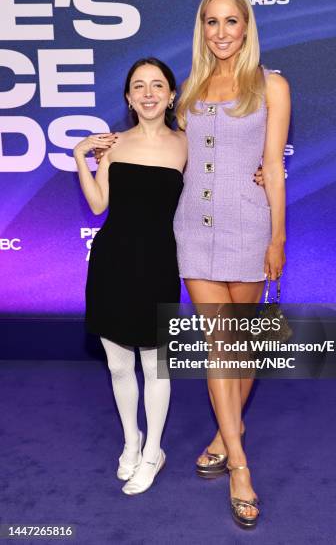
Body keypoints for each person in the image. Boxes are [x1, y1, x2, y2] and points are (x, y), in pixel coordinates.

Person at [174, 0, 291, 528]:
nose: (221, 33)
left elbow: (273, 165)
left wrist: (278, 239)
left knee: (241, 347)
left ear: (247, 27)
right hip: (193, 231)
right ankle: (240, 467)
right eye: (211, 23)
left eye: (230, 22)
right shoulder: (189, 89)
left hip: (249, 226)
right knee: (219, 343)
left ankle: (226, 432)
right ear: (202, 29)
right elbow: (171, 153)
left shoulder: (271, 86)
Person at [74, 58, 187, 495]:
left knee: (156, 366)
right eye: (139, 86)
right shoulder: (113, 144)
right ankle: (131, 441)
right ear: (128, 97)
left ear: (172, 95)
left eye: (157, 85)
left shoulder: (186, 144)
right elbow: (99, 204)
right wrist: (80, 156)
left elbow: (219, 182)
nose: (148, 93)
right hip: (112, 262)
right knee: (120, 365)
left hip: (159, 262)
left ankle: (154, 450)